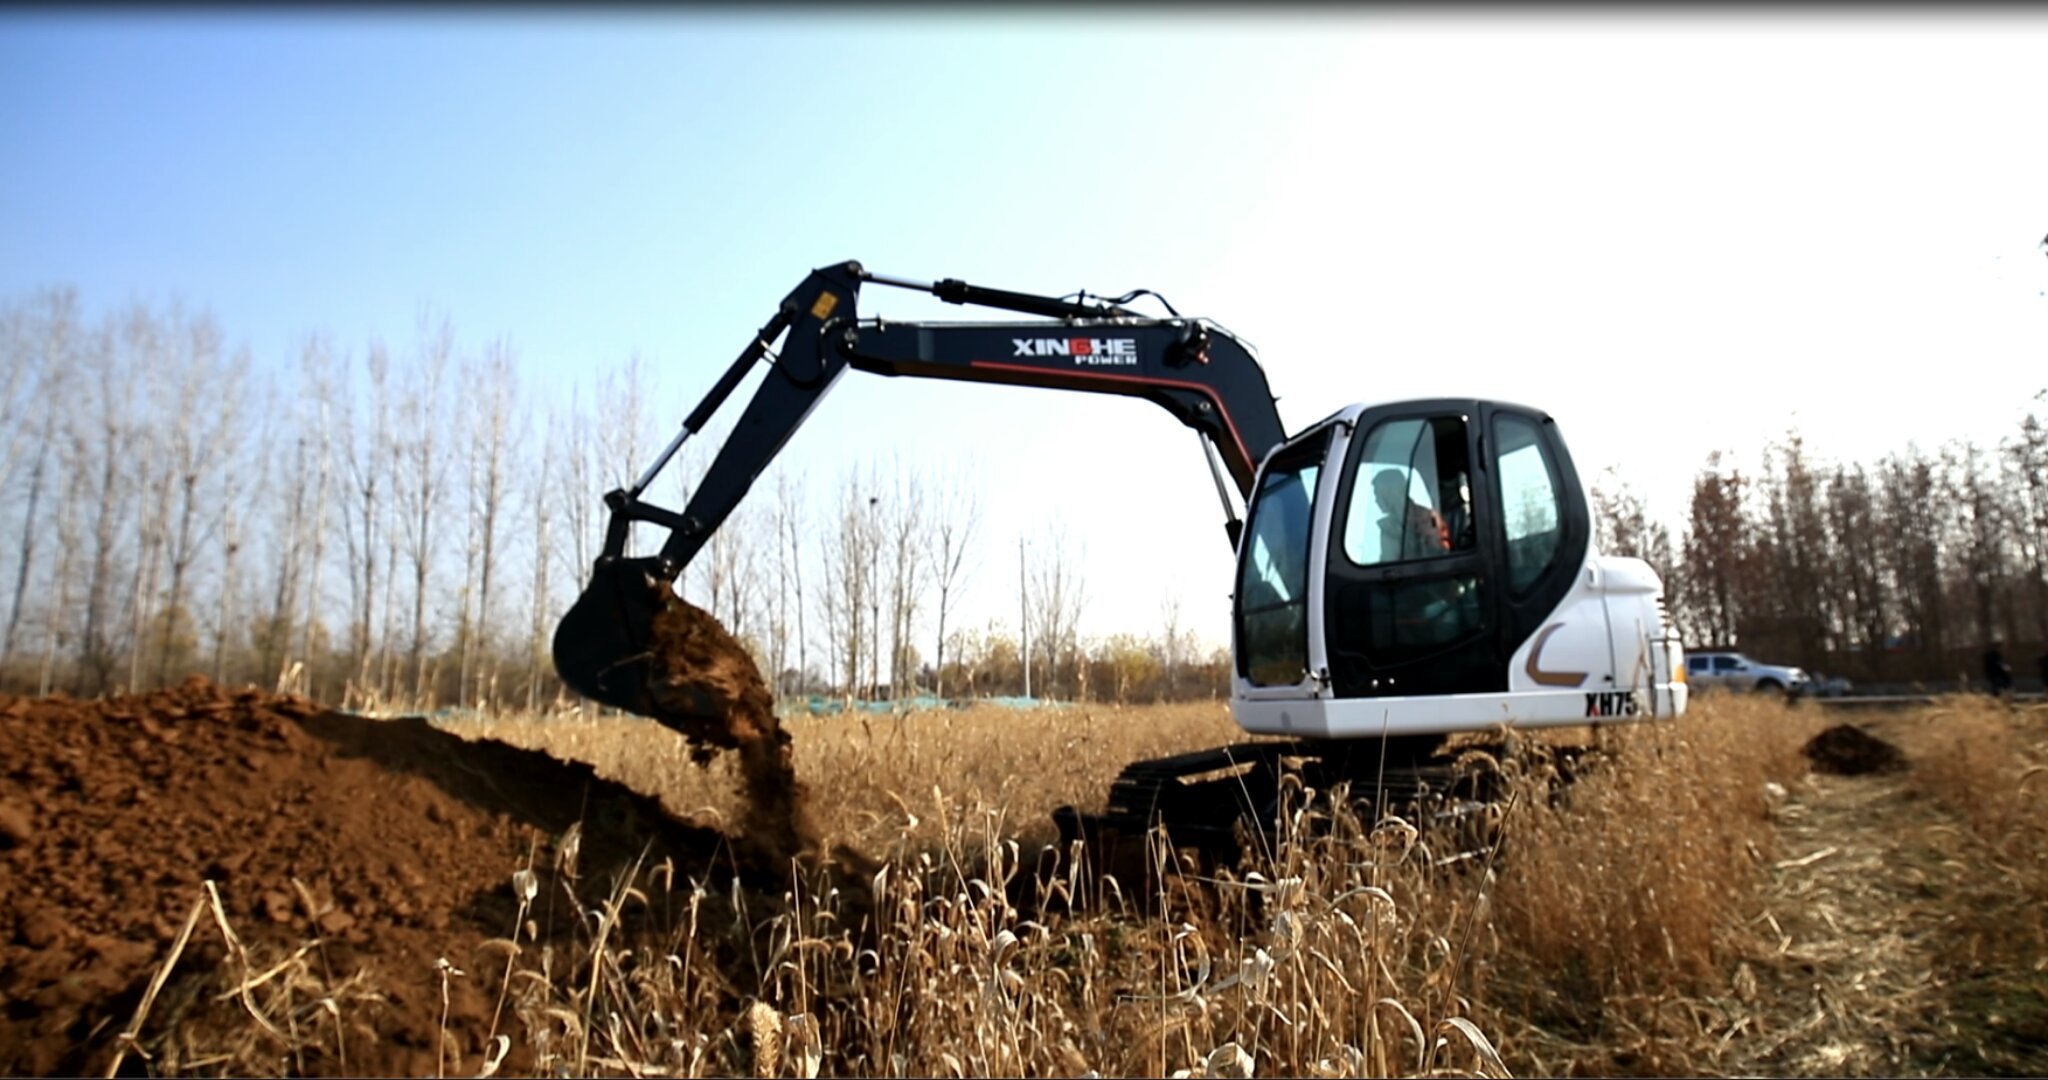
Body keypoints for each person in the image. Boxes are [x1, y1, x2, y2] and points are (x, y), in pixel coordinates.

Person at [1373, 469, 1451, 562]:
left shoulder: (1428, 519)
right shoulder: (1388, 527)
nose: (1376, 500)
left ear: (1393, 491)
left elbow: (1440, 558)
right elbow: (1385, 565)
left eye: (1378, 494)